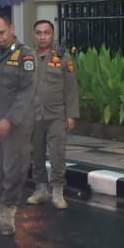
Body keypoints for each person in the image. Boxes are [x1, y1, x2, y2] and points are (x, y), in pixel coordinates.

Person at [0, 8, 37, 237]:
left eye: (2, 32)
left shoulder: (25, 56)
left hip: (16, 124)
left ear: (12, 28)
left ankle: (9, 214)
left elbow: (26, 92)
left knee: (13, 170)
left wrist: (9, 120)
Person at [24, 20, 79, 211]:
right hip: (33, 115)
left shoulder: (64, 59)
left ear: (52, 35)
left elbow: (71, 89)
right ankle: (40, 190)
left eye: (46, 33)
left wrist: (71, 115)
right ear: (34, 35)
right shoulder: (27, 58)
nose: (42, 37)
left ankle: (57, 192)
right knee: (36, 153)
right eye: (39, 33)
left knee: (57, 154)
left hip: (56, 115)